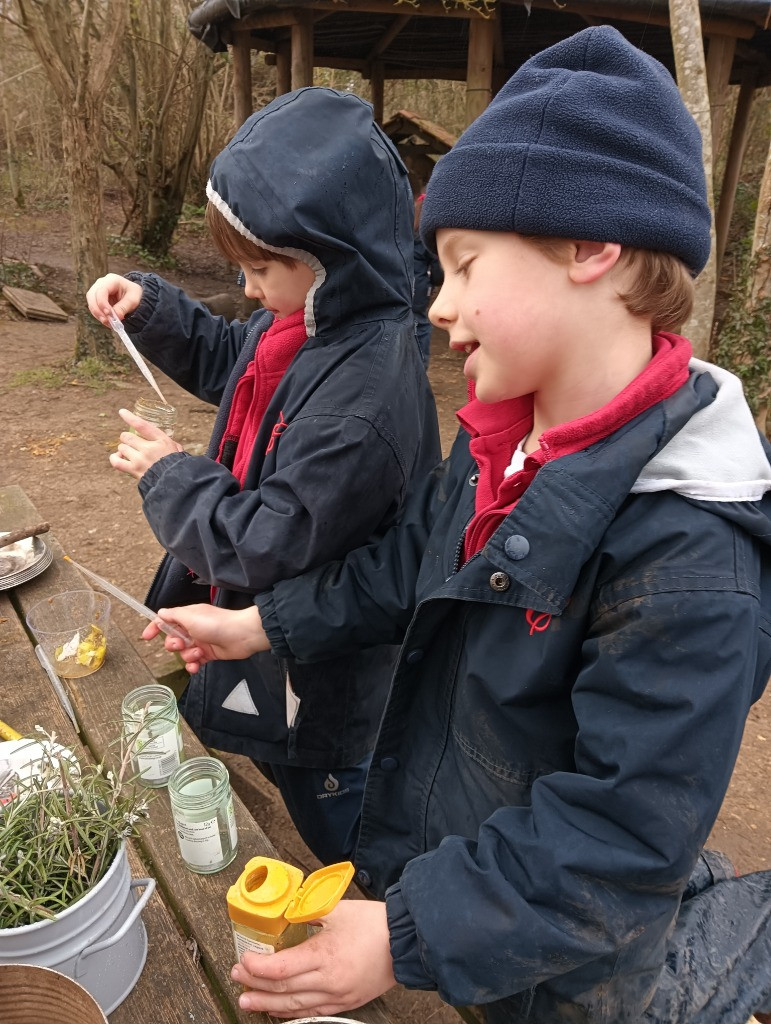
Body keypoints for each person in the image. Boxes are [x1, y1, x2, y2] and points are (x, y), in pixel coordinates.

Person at [144, 28, 771, 1024]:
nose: (439, 306)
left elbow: (615, 836)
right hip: (476, 905)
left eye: (467, 265)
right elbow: (403, 565)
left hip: (574, 975)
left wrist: (403, 934)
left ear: (593, 247)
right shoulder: (502, 446)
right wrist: (263, 626)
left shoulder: (689, 559)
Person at [86, 87, 441, 866]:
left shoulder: (360, 401)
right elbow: (233, 360)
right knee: (281, 760)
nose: (246, 288)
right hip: (275, 650)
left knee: (334, 805)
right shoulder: (311, 326)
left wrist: (171, 474)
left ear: (327, 259)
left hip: (327, 677)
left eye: (256, 269)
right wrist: (151, 310)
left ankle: (395, 899)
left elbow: (266, 541)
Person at [412, 192, 443, 366]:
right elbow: (438, 273)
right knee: (421, 326)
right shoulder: (427, 239)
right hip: (418, 290)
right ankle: (420, 367)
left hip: (398, 287)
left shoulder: (402, 231)